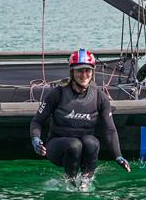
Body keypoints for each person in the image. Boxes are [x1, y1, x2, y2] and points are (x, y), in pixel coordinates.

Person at [30, 49, 131, 184]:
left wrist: (118, 156)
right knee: (74, 144)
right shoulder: (57, 94)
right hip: (58, 148)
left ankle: (85, 184)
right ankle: (70, 184)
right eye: (79, 70)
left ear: (92, 72)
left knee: (92, 142)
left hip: (84, 149)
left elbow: (110, 130)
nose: (84, 75)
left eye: (87, 70)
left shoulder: (100, 97)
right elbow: (37, 121)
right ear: (72, 72)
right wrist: (35, 140)